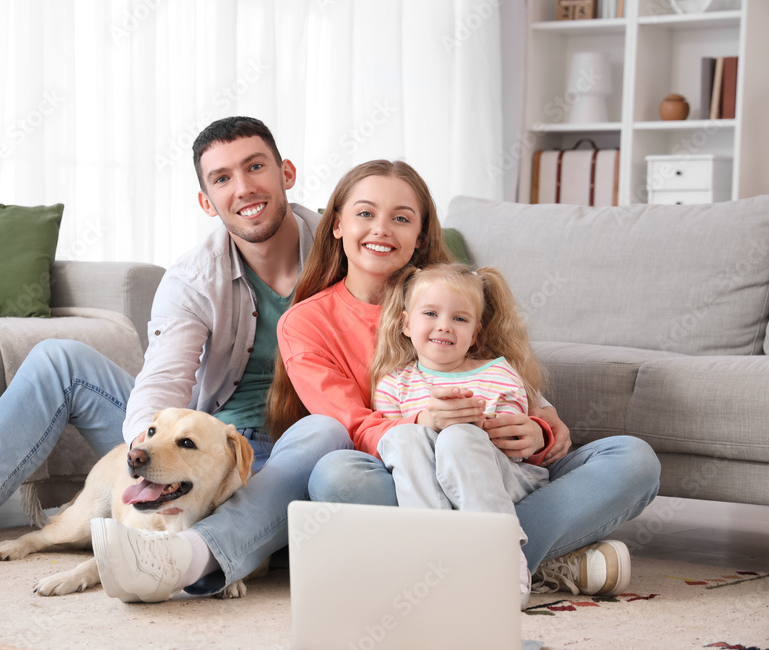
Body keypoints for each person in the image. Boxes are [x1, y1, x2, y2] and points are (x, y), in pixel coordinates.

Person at [0, 116, 353, 602]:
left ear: (286, 172)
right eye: (222, 179)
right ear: (205, 200)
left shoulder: (344, 248)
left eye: (255, 166)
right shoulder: (194, 276)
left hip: (286, 452)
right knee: (59, 358)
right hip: (202, 445)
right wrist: (154, 466)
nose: (243, 189)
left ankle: (189, 552)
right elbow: (163, 385)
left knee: (325, 432)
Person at [266, 159, 661, 599]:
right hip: (405, 475)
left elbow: (529, 398)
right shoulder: (307, 322)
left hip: (502, 469)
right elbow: (354, 424)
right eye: (365, 213)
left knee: (635, 459)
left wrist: (538, 431)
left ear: (420, 237)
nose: (381, 229)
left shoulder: (458, 299)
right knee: (335, 476)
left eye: (401, 218)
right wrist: (421, 421)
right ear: (336, 224)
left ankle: (449, 564)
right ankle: (533, 559)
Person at [370, 262, 552, 606]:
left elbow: (514, 448)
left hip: (499, 478)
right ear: (406, 324)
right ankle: (431, 559)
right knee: (401, 438)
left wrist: (476, 425)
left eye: (460, 319)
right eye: (430, 313)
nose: (444, 326)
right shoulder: (395, 384)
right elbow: (391, 452)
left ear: (475, 334)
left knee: (459, 438)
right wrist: (426, 422)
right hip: (431, 485)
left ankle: (501, 562)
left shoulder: (497, 373)